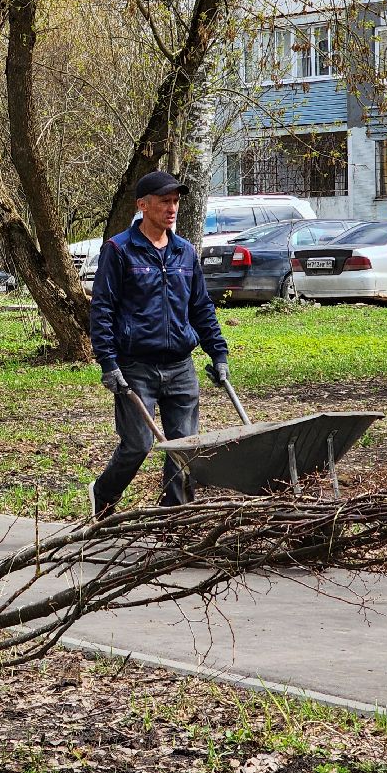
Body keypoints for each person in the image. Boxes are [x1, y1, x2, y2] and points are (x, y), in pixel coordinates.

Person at [86, 171, 229, 517]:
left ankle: (173, 518)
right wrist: (108, 363)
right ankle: (103, 494)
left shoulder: (184, 252)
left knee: (184, 448)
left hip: (180, 365)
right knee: (138, 444)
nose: (172, 207)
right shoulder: (120, 250)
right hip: (136, 367)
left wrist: (218, 352)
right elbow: (102, 308)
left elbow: (200, 307)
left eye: (176, 201)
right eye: (165, 201)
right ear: (143, 205)